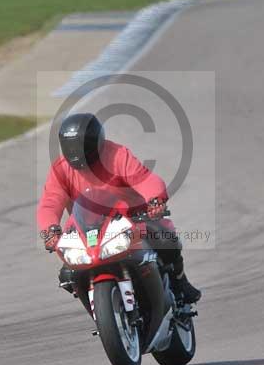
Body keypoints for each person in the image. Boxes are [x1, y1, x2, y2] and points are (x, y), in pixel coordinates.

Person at [37, 113, 202, 304]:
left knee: (165, 239)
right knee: (68, 274)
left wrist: (155, 200)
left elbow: (144, 179)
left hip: (133, 219)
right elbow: (50, 202)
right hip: (89, 231)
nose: (78, 152)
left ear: (97, 141)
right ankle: (100, 311)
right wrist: (50, 229)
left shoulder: (117, 155)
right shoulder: (61, 169)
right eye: (71, 146)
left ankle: (179, 281)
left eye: (83, 145)